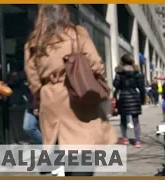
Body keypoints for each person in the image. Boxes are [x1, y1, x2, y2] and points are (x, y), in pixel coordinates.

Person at [24, 5, 117, 176]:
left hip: (50, 99)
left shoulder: (33, 42)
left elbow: (33, 80)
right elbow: (96, 64)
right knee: (83, 150)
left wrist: (41, 97)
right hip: (77, 94)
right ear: (63, 13)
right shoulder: (76, 33)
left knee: (64, 148)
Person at [113, 54, 145, 148]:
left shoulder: (119, 73)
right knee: (136, 120)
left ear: (122, 62)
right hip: (135, 96)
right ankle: (137, 141)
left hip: (123, 97)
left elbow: (116, 85)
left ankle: (125, 139)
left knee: (123, 120)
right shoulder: (137, 73)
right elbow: (141, 87)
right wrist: (142, 99)